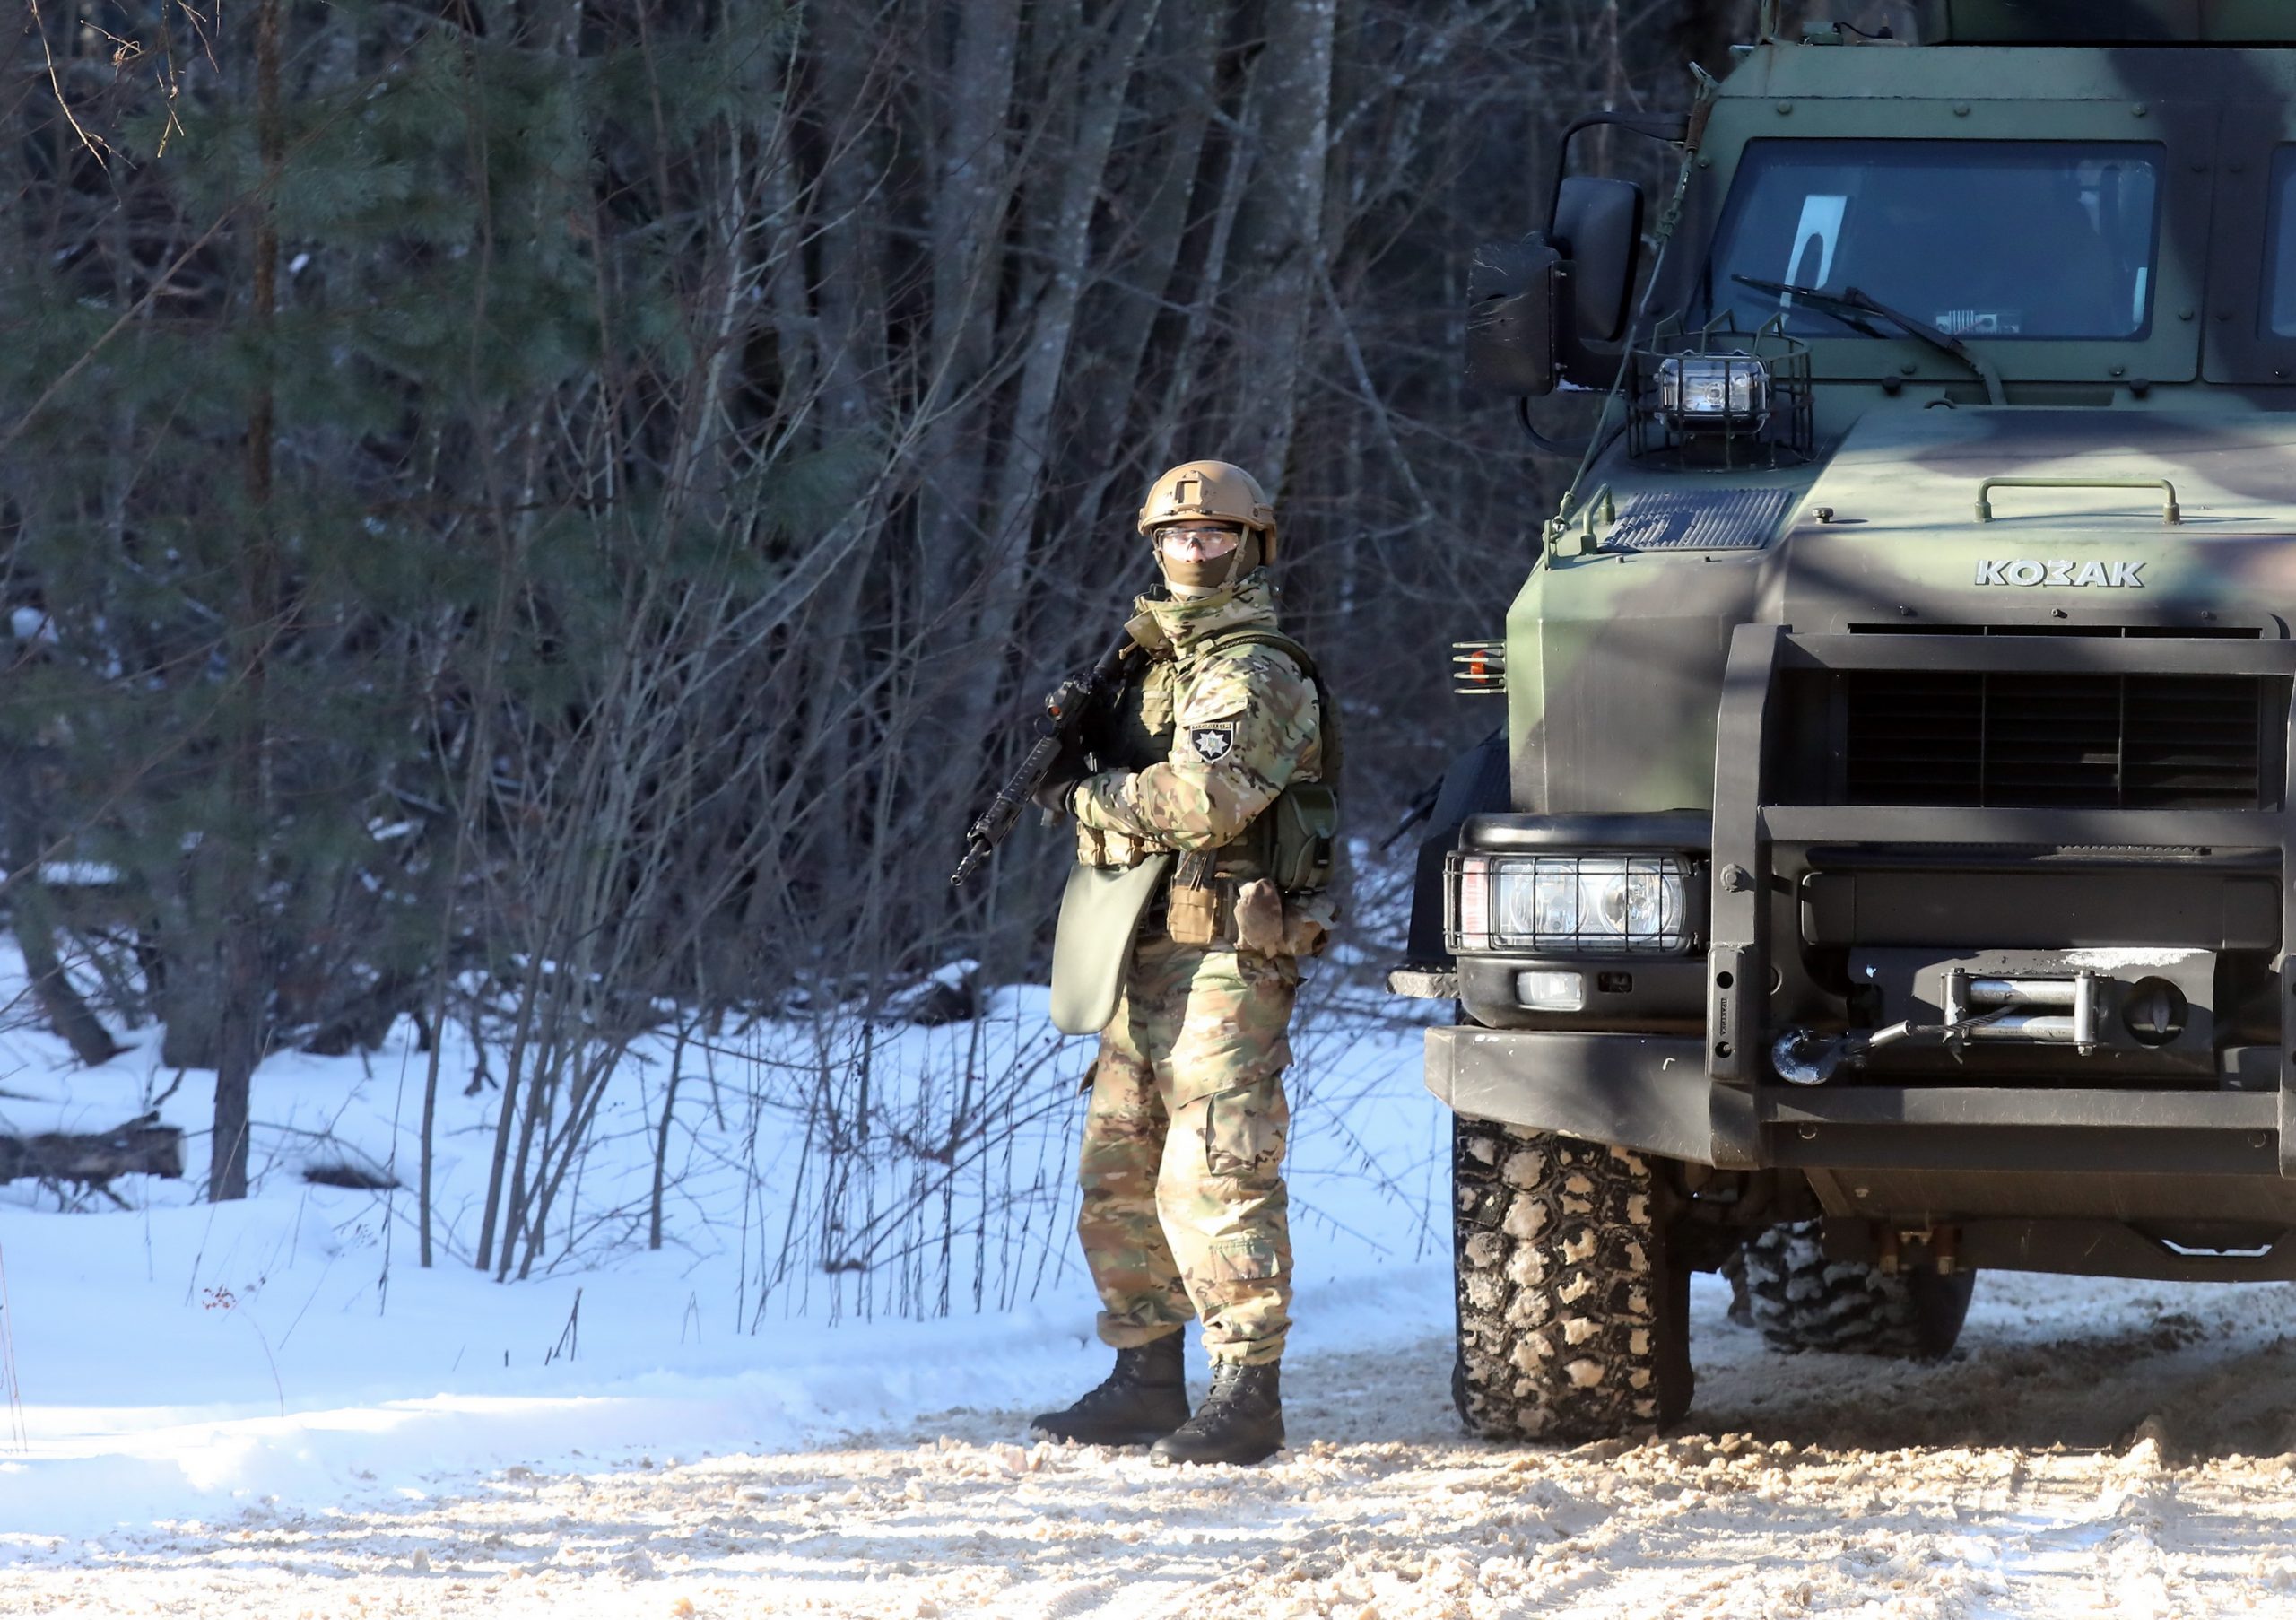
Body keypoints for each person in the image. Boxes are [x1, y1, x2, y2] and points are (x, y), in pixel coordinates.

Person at [1028, 459, 1339, 1468]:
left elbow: (1205, 801)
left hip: (1226, 955)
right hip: (1142, 944)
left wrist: (1086, 799)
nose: (1192, 552)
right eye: (1175, 537)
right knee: (1116, 1169)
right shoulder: (1150, 662)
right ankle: (1145, 1376)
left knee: (1214, 1168)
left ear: (1253, 545)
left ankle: (1248, 1393)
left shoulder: (1253, 669)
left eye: (1213, 536)